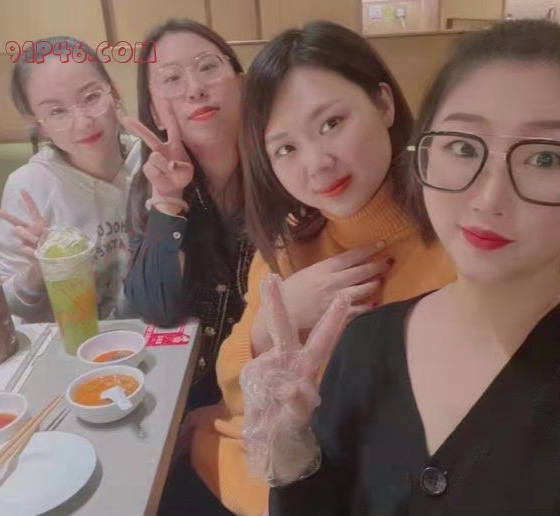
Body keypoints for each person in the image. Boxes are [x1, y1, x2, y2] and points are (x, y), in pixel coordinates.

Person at [244, 19, 560, 515]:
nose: (489, 198)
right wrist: (290, 455)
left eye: (545, 158)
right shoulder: (362, 342)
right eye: (463, 147)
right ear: (426, 155)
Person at [189, 21, 456, 515]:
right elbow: (234, 389)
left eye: (331, 123)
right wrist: (277, 322)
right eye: (286, 148)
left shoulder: (458, 240)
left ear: (384, 103)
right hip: (274, 476)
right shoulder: (289, 243)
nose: (317, 163)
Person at [120, 19, 255, 515]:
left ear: (239, 80)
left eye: (208, 67)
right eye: (172, 79)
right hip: (186, 402)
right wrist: (169, 202)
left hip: (264, 401)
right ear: (157, 111)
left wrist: (224, 411)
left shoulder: (283, 168)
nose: (195, 87)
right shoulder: (152, 187)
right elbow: (158, 309)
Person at [0, 36, 141, 323]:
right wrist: (38, 269)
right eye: (57, 111)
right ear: (38, 124)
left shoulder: (150, 162)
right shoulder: (30, 186)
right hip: (67, 342)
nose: (83, 121)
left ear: (114, 92)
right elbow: (8, 305)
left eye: (91, 97)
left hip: (149, 334)